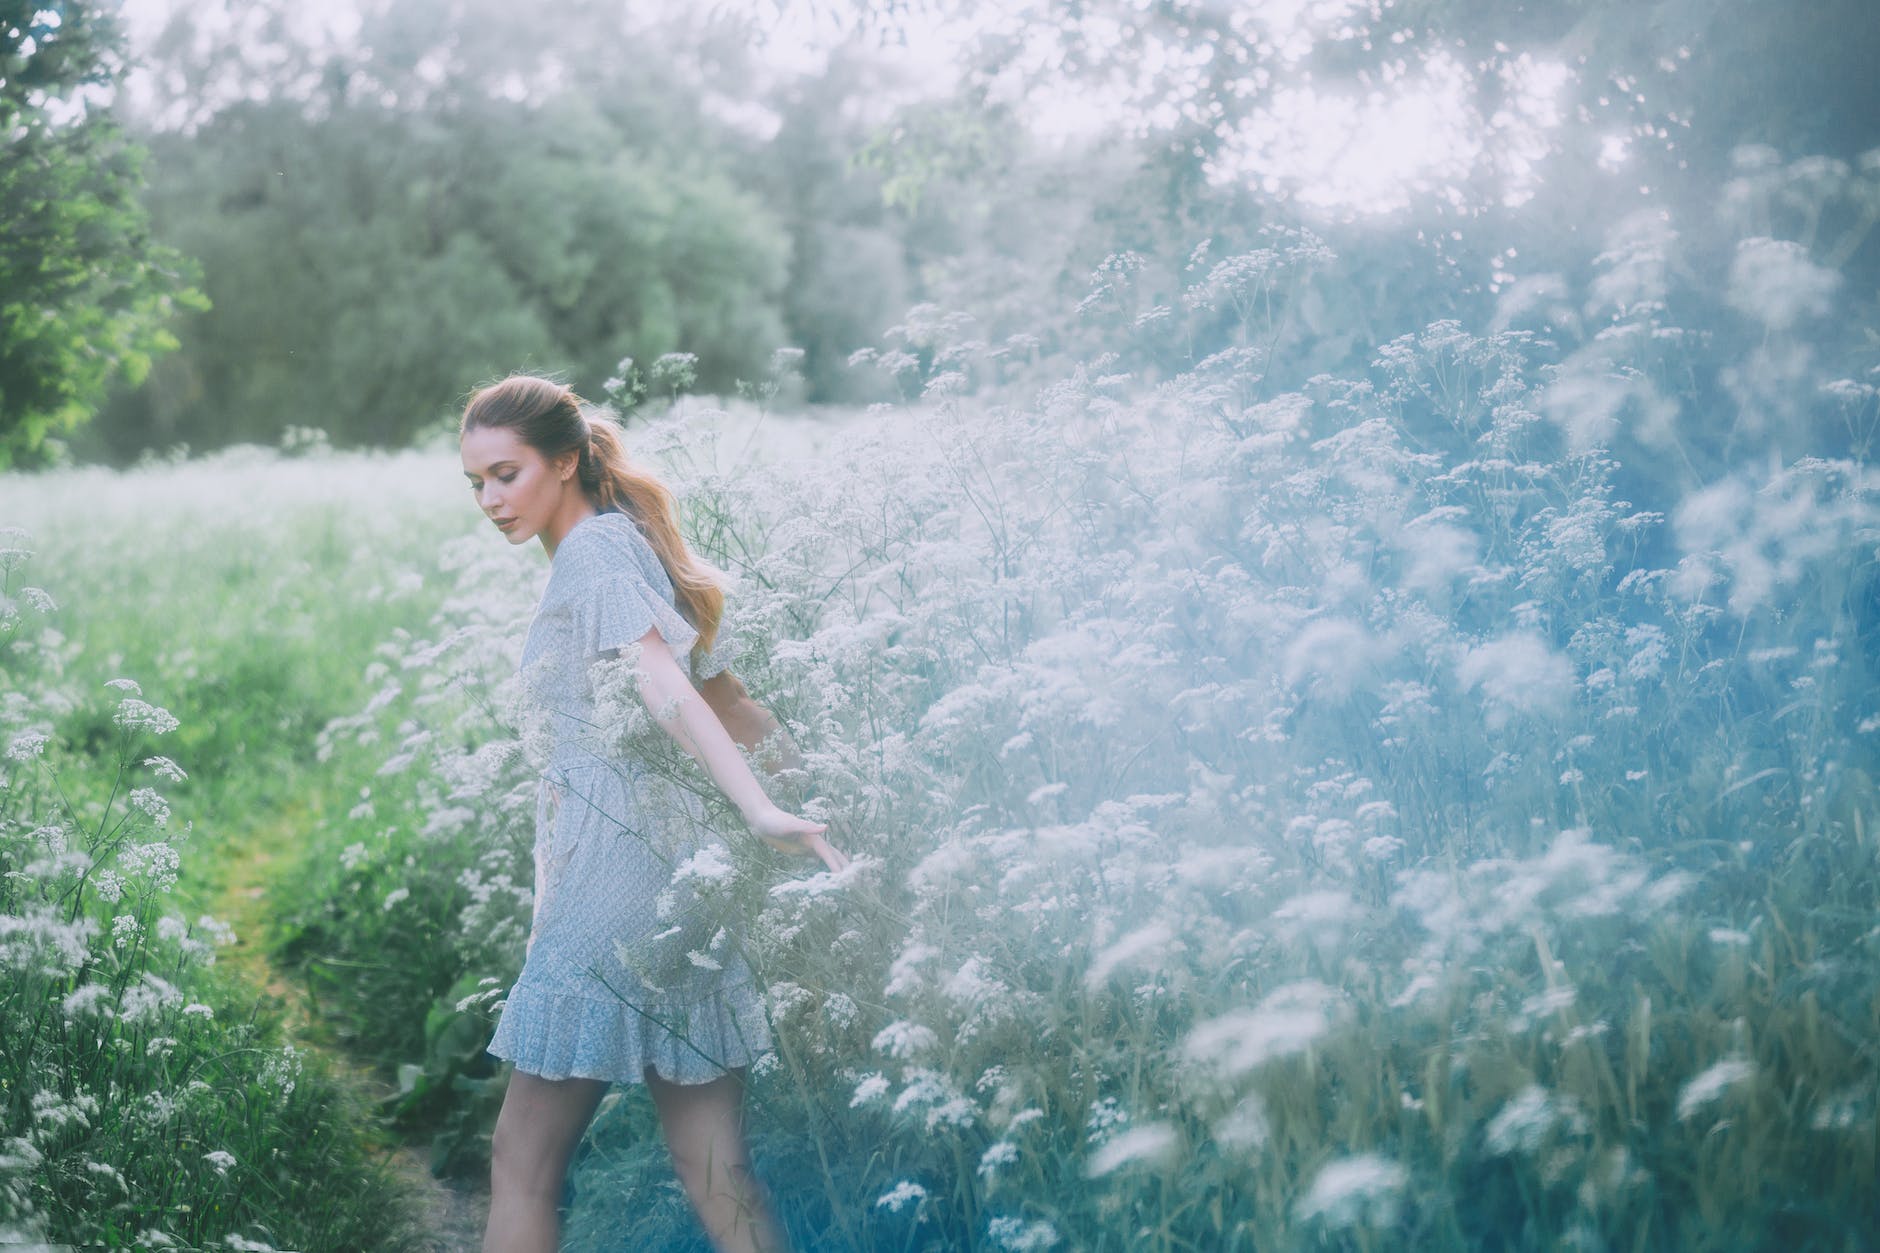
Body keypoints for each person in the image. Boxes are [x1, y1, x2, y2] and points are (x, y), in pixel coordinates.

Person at [459, 374, 847, 1253]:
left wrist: (758, 809)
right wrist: (824, 804)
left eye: (506, 474)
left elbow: (663, 680)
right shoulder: (625, 542)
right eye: (476, 481)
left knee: (522, 1162)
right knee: (715, 1166)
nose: (489, 500)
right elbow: (732, 701)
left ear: (564, 462)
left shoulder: (593, 553)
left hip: (614, 883)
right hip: (679, 884)